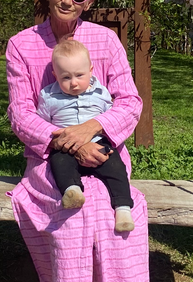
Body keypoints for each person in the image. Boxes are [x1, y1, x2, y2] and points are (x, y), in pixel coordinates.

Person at [6, 0, 149, 281]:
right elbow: (20, 112)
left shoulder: (106, 40)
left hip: (104, 149)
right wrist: (68, 143)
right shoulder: (21, 45)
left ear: (88, 2)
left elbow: (129, 101)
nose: (67, 1)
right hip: (50, 158)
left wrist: (91, 129)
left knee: (110, 206)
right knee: (71, 210)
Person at [38, 39, 134, 232]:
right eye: (66, 77)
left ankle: (123, 208)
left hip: (98, 142)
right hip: (66, 146)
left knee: (116, 167)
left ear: (91, 71)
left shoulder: (101, 93)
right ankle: (72, 191)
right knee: (59, 162)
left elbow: (111, 117)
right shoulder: (48, 97)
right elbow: (42, 122)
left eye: (79, 75)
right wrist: (55, 139)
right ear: (55, 75)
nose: (73, 83)